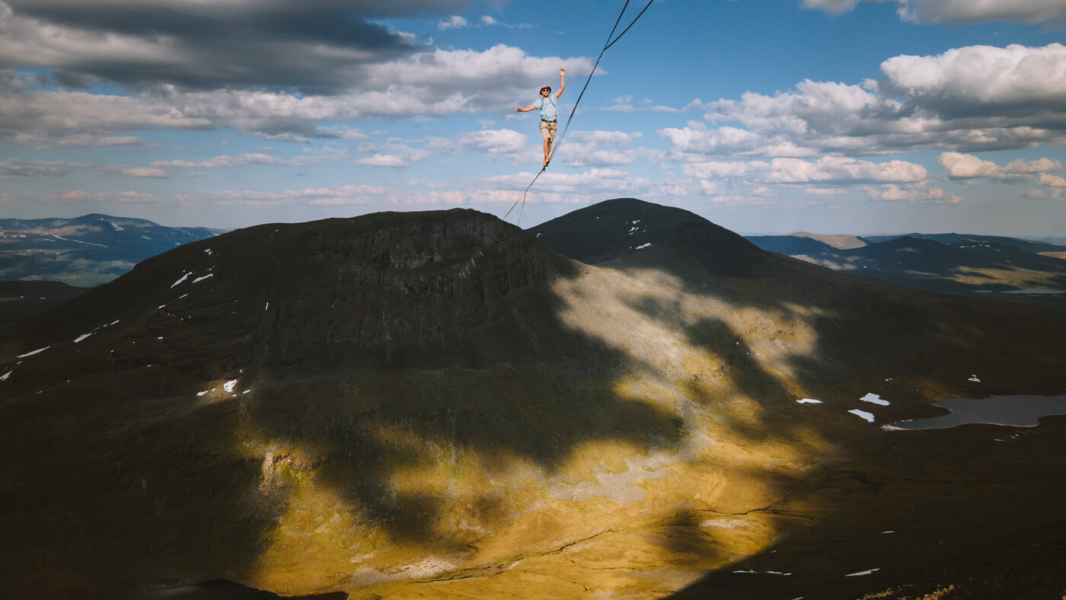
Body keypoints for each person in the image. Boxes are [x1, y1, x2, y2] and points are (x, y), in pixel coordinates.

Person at [516, 67, 566, 168]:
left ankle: (546, 159)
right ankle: (546, 157)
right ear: (541, 92)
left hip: (554, 124)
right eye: (544, 90)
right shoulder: (539, 101)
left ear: (549, 91)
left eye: (547, 89)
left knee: (550, 143)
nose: (546, 91)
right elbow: (530, 107)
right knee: (546, 139)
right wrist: (522, 110)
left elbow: (562, 88)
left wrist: (562, 76)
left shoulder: (554, 97)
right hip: (544, 123)